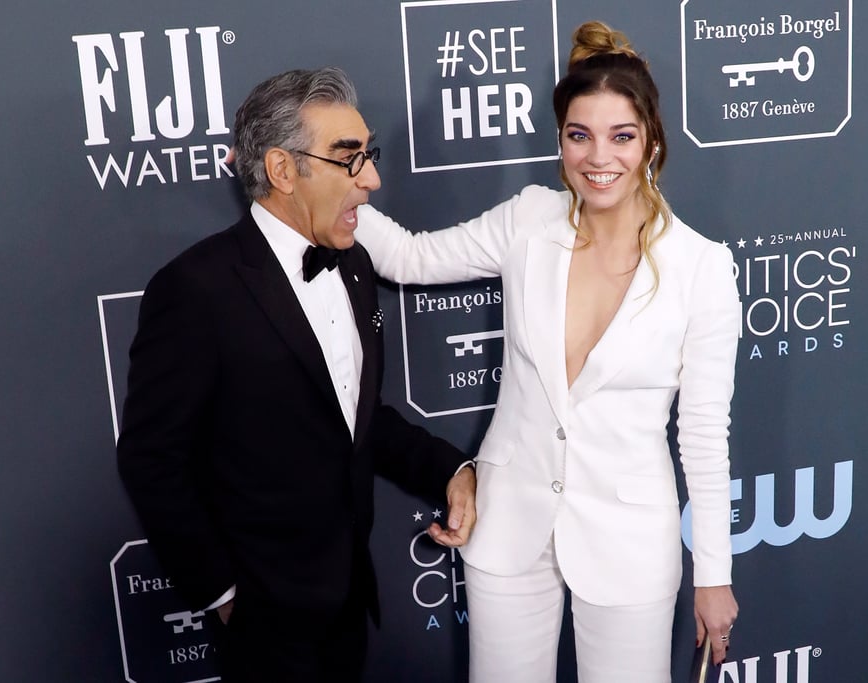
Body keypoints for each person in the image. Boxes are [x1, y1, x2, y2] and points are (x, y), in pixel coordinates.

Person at [354, 21, 740, 683]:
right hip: (509, 524)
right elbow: (413, 259)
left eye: (621, 136)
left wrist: (715, 576)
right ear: (560, 138)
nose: (599, 158)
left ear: (651, 139)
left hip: (629, 543)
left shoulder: (701, 267)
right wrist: (322, 186)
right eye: (578, 135)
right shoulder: (530, 219)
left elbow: (702, 436)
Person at [116, 67, 477, 683]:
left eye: (370, 155)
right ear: (283, 170)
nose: (372, 180)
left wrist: (451, 467)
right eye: (349, 159)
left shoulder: (357, 267)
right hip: (260, 621)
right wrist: (224, 595)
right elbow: (152, 458)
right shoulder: (196, 290)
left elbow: (355, 418)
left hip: (348, 604)